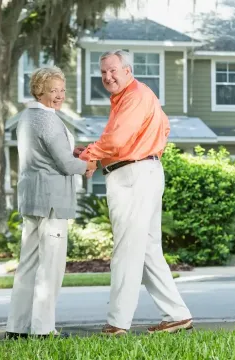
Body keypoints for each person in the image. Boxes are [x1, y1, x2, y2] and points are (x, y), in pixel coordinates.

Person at [75, 49, 193, 335]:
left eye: (113, 70)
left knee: (126, 249)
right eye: (103, 72)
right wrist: (95, 153)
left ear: (127, 70)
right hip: (144, 171)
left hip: (132, 176)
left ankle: (117, 323)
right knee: (148, 250)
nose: (107, 76)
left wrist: (89, 156)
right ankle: (177, 314)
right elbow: (159, 129)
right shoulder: (137, 96)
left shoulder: (134, 95)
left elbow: (116, 139)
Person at [5, 65, 97, 339]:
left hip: (33, 200)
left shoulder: (27, 117)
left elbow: (47, 154)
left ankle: (17, 328)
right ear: (39, 90)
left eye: (62, 90)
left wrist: (73, 154)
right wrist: (88, 164)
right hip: (51, 202)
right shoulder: (47, 119)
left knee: (28, 265)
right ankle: (43, 330)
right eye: (53, 90)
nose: (59, 96)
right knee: (51, 266)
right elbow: (67, 164)